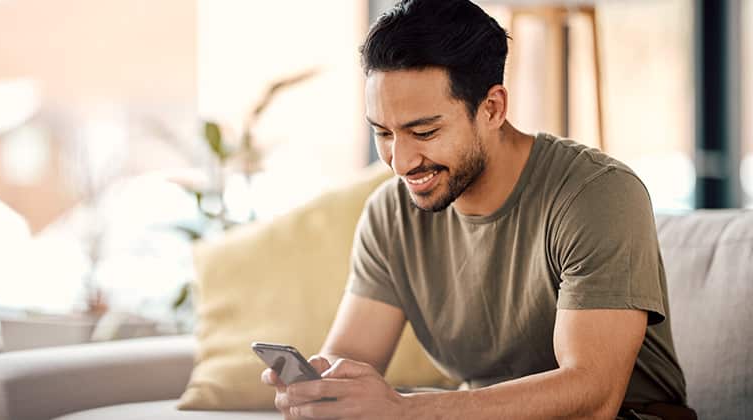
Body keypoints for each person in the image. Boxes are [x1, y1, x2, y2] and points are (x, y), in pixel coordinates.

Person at [262, 0, 695, 418]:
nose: (401, 160)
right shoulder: (390, 214)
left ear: (492, 108)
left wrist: (406, 411)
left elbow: (591, 397)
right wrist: (323, 395)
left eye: (424, 131)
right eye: (383, 132)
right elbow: (349, 360)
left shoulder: (597, 195)